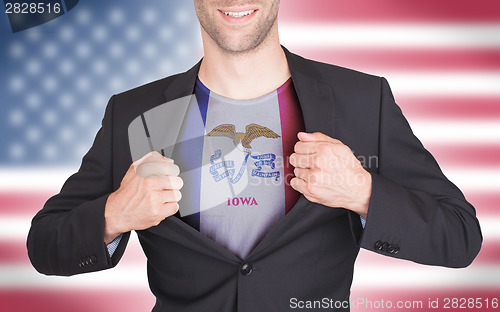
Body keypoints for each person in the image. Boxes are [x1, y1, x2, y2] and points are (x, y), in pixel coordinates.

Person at [27, 1, 482, 311]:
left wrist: (363, 191)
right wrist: (114, 214)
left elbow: (460, 236)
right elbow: (45, 245)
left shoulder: (363, 100)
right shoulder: (135, 113)